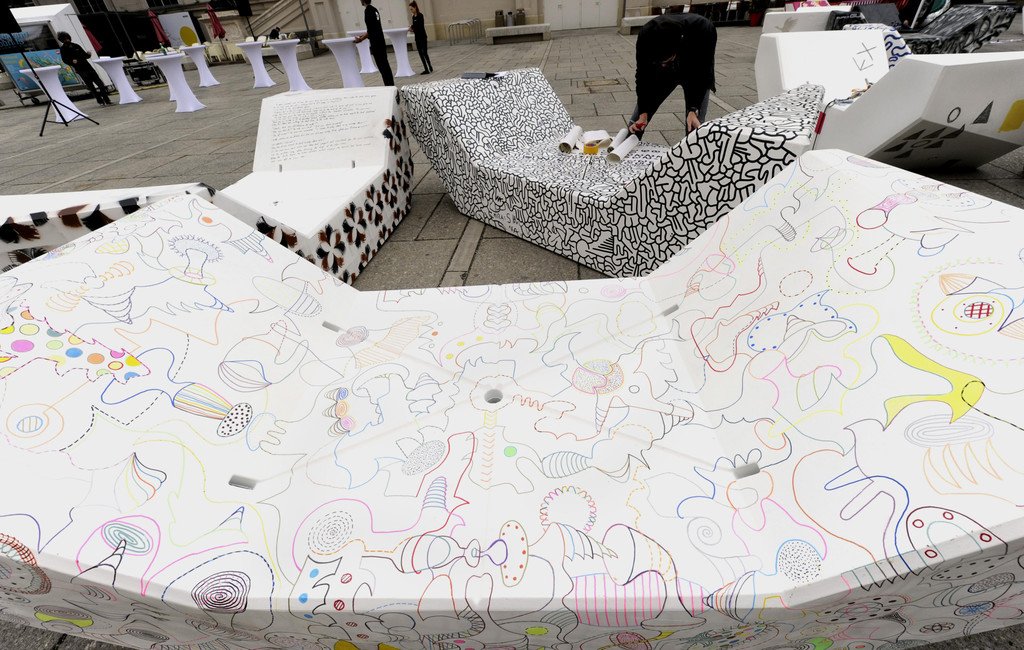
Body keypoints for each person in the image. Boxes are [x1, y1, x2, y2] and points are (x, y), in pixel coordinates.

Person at [629, 13, 717, 140]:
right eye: (659, 62)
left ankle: (692, 149)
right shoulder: (646, 35)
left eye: (666, 61)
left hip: (695, 70)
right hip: (664, 75)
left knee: (695, 125)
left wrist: (693, 109)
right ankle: (625, 147)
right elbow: (642, 76)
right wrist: (643, 112)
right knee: (636, 121)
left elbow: (703, 73)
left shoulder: (703, 30)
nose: (663, 65)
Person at [57, 31, 111, 106]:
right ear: (62, 40)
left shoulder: (76, 45)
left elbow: (85, 55)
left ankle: (107, 100)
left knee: (100, 84)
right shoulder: (63, 49)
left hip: (88, 67)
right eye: (65, 39)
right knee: (91, 86)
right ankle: (100, 101)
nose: (67, 40)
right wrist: (72, 61)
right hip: (80, 69)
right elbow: (64, 60)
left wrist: (88, 54)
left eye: (68, 38)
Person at [353, 0, 394, 86]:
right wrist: (363, 36)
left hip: (376, 43)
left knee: (382, 66)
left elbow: (371, 30)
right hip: (380, 40)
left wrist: (361, 39)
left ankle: (388, 86)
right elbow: (374, 27)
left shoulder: (367, 11)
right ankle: (391, 85)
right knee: (385, 64)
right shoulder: (375, 9)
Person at [408, 1, 432, 75]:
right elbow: (414, 25)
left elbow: (420, 26)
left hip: (422, 37)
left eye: (412, 9)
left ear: (415, 7)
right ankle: (426, 68)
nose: (411, 11)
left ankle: (430, 66)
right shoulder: (413, 17)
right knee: (420, 53)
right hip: (417, 38)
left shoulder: (420, 15)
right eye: (410, 9)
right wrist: (411, 27)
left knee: (425, 52)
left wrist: (413, 29)